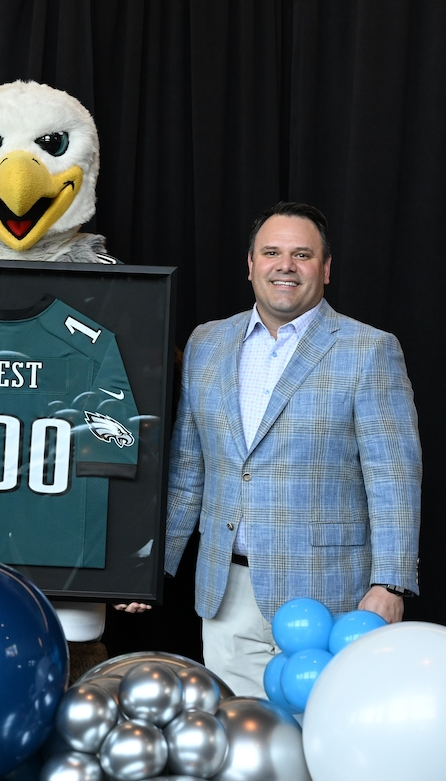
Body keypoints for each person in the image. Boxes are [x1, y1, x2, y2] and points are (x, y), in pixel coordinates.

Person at [123, 201, 421, 697]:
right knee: (243, 746)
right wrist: (150, 569)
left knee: (322, 748)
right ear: (250, 264)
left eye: (302, 254)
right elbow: (187, 471)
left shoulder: (369, 350)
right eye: (272, 252)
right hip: (225, 594)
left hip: (332, 595)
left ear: (325, 270)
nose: (285, 265)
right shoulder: (206, 343)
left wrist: (390, 585)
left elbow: (393, 477)